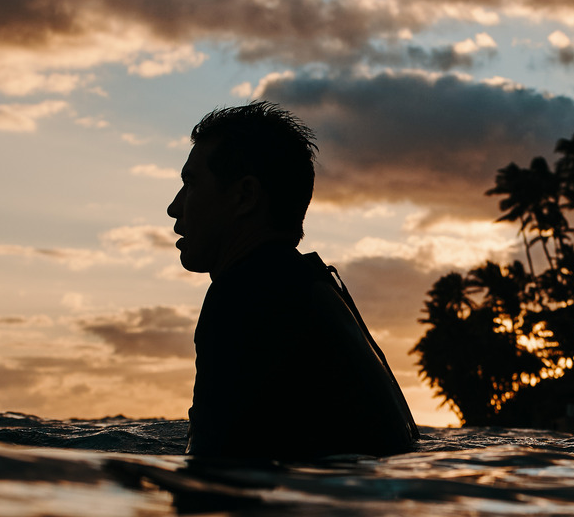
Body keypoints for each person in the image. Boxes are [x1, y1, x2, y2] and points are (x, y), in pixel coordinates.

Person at [165, 101, 419, 459]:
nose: (174, 208)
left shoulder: (246, 297)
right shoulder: (312, 286)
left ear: (244, 197)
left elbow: (213, 464)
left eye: (190, 184)